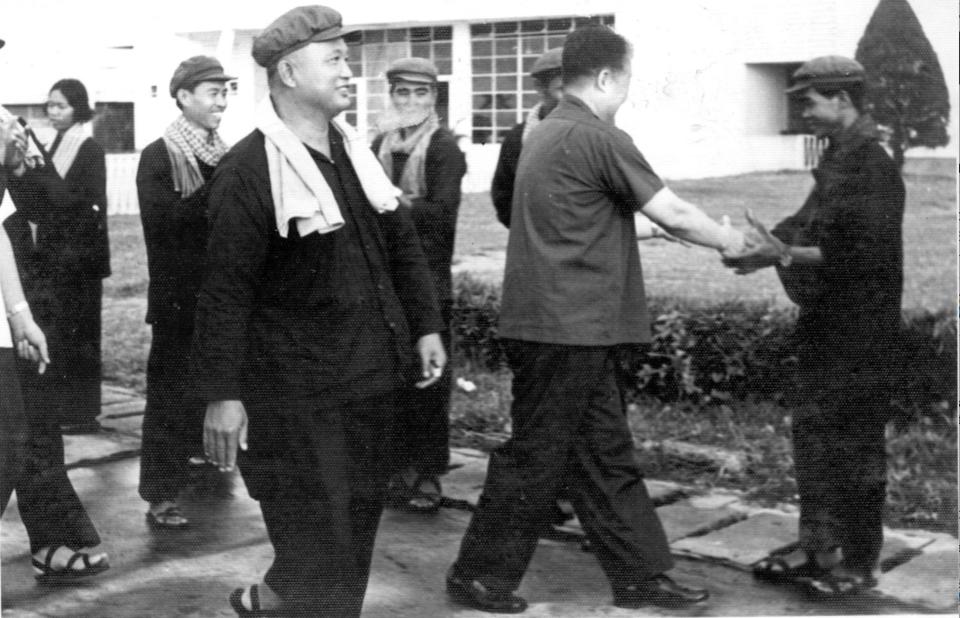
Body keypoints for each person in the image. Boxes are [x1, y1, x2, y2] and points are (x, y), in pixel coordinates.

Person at [448, 25, 747, 613]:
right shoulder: (599, 135)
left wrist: (664, 231)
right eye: (627, 80)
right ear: (607, 77)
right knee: (536, 457)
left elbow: (586, 217)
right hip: (569, 327)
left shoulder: (546, 132)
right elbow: (676, 211)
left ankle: (641, 577)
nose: (627, 92)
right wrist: (730, 241)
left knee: (605, 454)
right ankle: (476, 575)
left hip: (558, 327)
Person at [191, 6, 446, 616]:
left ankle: (275, 600)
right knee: (323, 548)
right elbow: (223, 292)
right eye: (334, 58)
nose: (348, 70)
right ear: (287, 71)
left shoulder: (353, 154)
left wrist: (426, 324)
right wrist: (222, 394)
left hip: (367, 387)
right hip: (295, 403)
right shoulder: (249, 171)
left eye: (345, 57)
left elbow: (400, 245)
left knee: (350, 543)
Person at [723, 56, 904, 597]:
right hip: (826, 327)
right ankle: (819, 546)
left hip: (863, 331)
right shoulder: (838, 158)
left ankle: (860, 561)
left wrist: (783, 253)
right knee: (815, 439)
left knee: (855, 445)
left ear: (842, 99)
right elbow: (806, 221)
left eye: (809, 100)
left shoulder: (873, 164)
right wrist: (762, 249)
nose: (801, 109)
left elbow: (860, 254)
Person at [1, 86, 108, 581]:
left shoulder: (12, 128)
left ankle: (56, 537)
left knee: (33, 422)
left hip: (20, 293)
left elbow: (57, 206)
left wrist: (19, 166)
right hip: (12, 299)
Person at [136, 55, 234, 530]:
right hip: (178, 301)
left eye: (225, 92)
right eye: (214, 92)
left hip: (219, 298)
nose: (223, 101)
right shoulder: (159, 155)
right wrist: (222, 187)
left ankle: (205, 466)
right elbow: (164, 225)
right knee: (169, 401)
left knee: (213, 389)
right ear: (184, 97)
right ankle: (161, 495)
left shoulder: (225, 153)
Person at [371, 57, 467, 513]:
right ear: (391, 97)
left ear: (434, 98)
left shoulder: (445, 147)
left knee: (430, 379)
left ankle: (428, 472)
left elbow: (442, 214)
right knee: (391, 375)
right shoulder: (378, 143)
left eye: (421, 93)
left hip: (428, 281)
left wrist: (390, 204)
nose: (411, 101)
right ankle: (394, 468)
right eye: (402, 93)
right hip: (385, 282)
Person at [3, 78, 110, 434]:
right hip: (57, 256)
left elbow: (68, 201)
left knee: (81, 336)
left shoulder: (87, 147)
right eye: (50, 105)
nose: (53, 112)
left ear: (78, 108)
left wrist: (27, 169)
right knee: (62, 334)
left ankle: (82, 410)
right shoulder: (55, 143)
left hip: (80, 258)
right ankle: (67, 406)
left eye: (61, 105)